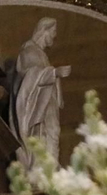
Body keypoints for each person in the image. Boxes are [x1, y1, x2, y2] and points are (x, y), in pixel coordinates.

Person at [13, 17, 71, 166]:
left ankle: (50, 167)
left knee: (53, 131)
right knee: (47, 133)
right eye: (53, 31)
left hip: (46, 104)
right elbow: (30, 76)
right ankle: (45, 168)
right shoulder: (29, 51)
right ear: (44, 31)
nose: (54, 36)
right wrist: (54, 73)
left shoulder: (41, 54)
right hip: (37, 107)